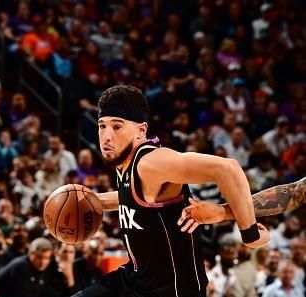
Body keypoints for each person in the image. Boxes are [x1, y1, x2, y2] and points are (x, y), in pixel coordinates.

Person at [71, 85, 269, 297]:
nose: (106, 136)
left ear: (141, 130)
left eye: (117, 127)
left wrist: (249, 234)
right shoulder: (125, 163)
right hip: (134, 280)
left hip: (172, 291)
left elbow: (228, 169)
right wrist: (94, 201)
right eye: (102, 126)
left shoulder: (149, 162)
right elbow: (131, 198)